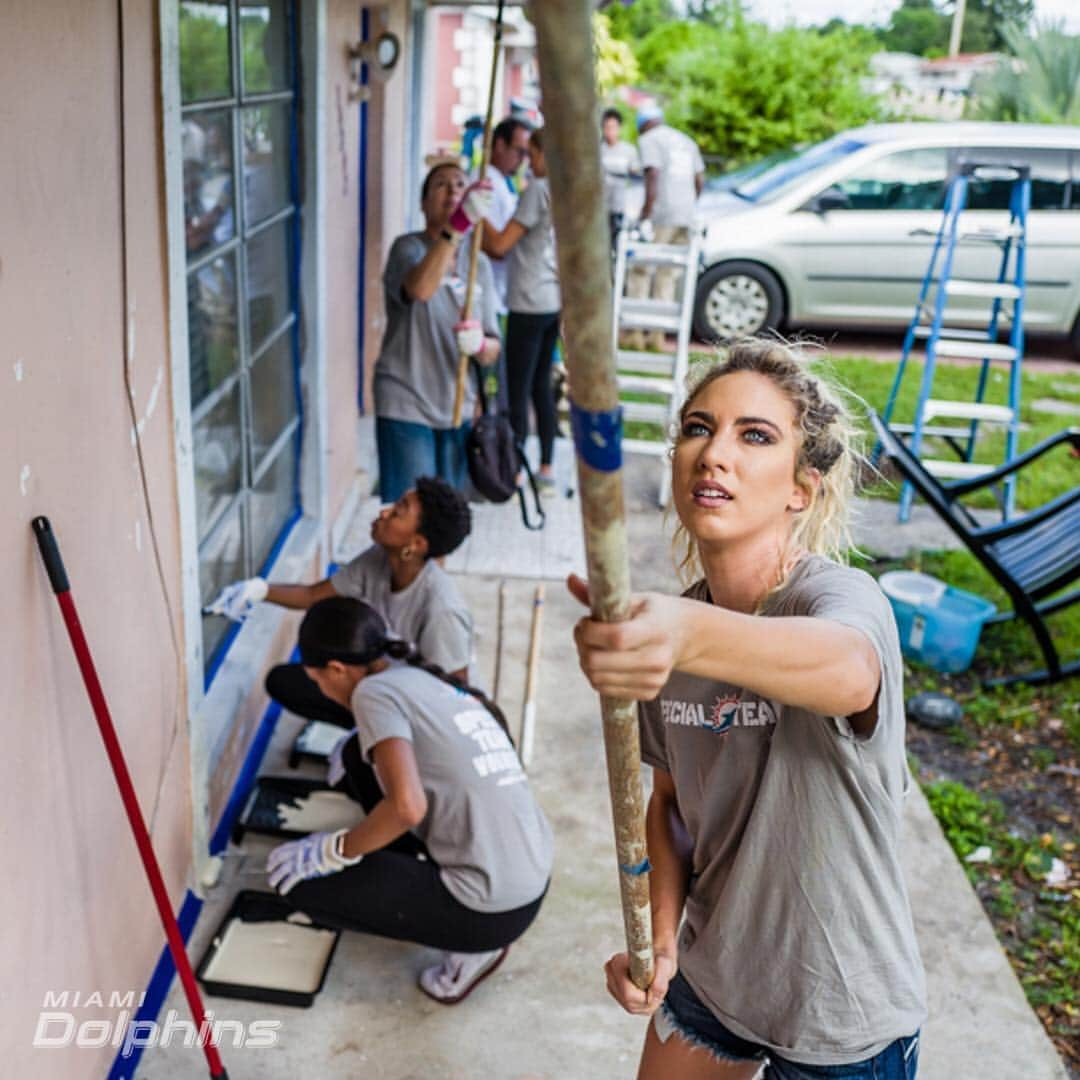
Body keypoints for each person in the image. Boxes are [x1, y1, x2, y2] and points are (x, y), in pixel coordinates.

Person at [571, 339, 926, 1077]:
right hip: (717, 972)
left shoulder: (837, 600)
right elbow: (667, 804)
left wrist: (681, 635)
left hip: (840, 1010)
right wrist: (661, 940)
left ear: (801, 487)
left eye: (754, 435)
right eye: (698, 428)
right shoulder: (675, 637)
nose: (713, 454)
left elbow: (849, 670)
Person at [265, 596, 553, 1004]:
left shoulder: (371, 694)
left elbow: (407, 808)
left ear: (336, 669)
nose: (322, 692)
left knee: (300, 884)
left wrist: (331, 851)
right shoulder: (414, 674)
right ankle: (414, 869)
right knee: (356, 758)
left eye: (318, 682)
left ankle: (472, 952)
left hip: (491, 911)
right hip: (530, 873)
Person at [205, 476, 474, 725]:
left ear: (416, 544)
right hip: (380, 687)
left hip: (418, 715)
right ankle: (364, 734)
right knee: (286, 682)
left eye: (397, 512)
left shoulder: (442, 609)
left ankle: (373, 751)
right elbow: (312, 595)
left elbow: (452, 699)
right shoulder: (379, 558)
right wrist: (257, 591)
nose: (384, 512)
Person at [373, 159, 502, 501]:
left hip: (458, 404)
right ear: (423, 202)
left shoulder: (479, 263)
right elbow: (419, 290)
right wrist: (457, 227)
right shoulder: (408, 248)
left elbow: (493, 347)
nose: (452, 191)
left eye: (460, 184)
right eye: (441, 185)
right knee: (411, 515)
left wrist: (479, 346)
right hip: (406, 399)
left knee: (446, 521)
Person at [483, 128, 560, 492]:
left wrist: (471, 212)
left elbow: (498, 245)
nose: (528, 161)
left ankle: (512, 471)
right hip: (550, 299)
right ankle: (545, 467)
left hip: (527, 302)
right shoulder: (563, 191)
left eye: (533, 153)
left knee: (517, 389)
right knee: (541, 386)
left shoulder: (538, 189)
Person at [624, 104, 704, 352]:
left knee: (641, 271)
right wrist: (687, 207)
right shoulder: (685, 141)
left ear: (643, 124)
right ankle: (656, 337)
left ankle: (636, 334)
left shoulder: (650, 139)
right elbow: (699, 180)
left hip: (662, 215)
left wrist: (646, 213)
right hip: (686, 216)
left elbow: (653, 175)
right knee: (667, 275)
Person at [480, 116, 532, 314]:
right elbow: (495, 247)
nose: (523, 161)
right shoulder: (485, 181)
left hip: (501, 292)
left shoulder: (503, 182)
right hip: (488, 294)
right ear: (500, 145)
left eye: (527, 154)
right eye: (520, 152)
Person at [600, 107, 641, 251]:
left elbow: (636, 173)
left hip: (619, 205)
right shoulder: (599, 149)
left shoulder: (628, 150)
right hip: (601, 206)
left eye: (613, 127)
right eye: (607, 127)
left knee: (617, 244)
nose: (610, 131)